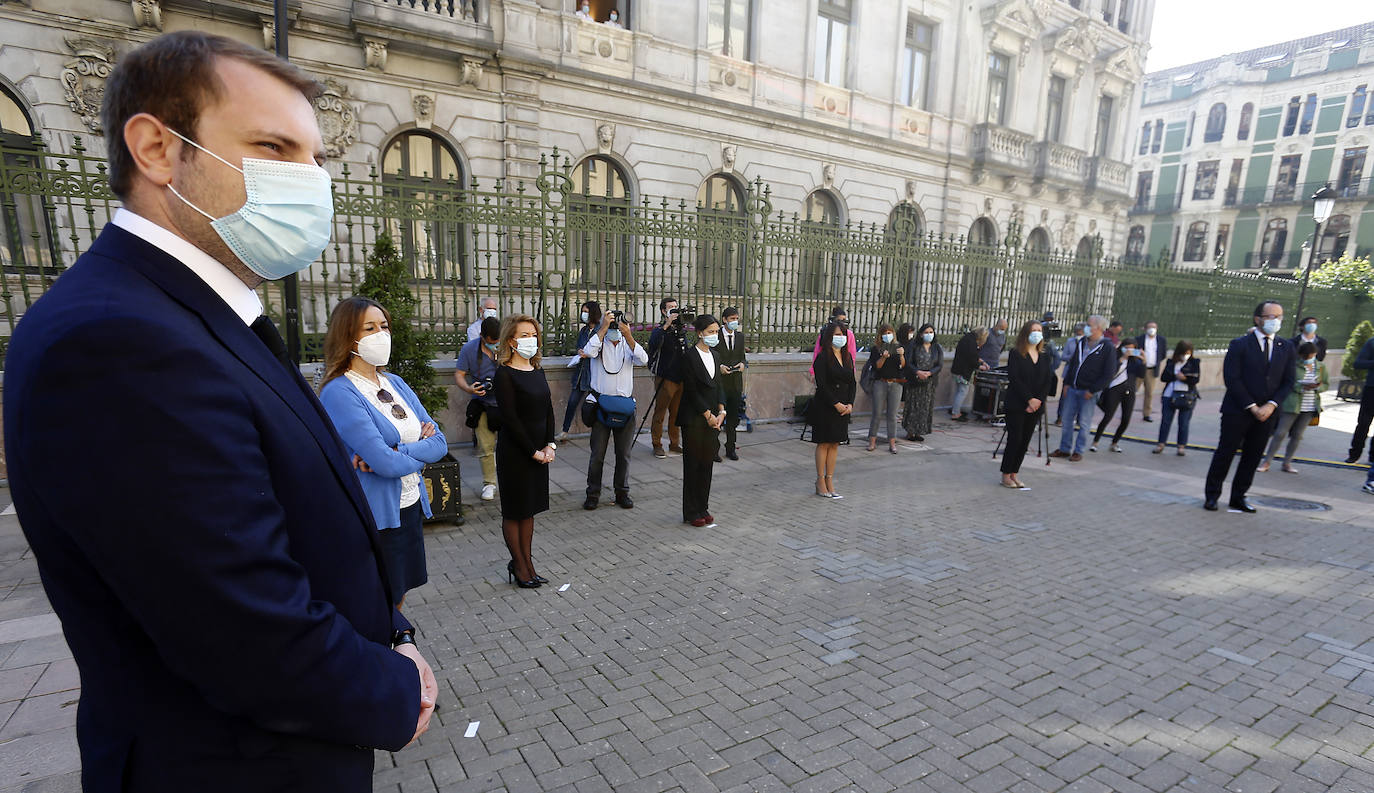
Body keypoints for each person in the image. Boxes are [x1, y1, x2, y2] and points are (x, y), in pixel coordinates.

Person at [3, 32, 434, 790]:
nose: (309, 180)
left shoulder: (194, 313)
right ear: (157, 149)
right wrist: (396, 688)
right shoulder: (117, 339)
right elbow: (240, 625)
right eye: (274, 146)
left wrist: (390, 633)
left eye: (317, 159)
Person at [319, 297, 448, 609]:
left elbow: (441, 443)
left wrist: (398, 451)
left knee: (400, 592)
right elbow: (385, 464)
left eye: (385, 326)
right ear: (348, 336)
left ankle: (393, 646)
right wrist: (409, 451)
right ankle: (386, 651)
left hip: (409, 503)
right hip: (377, 515)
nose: (382, 334)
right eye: (370, 328)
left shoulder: (396, 383)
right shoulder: (339, 391)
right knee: (381, 597)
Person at [1203, 301, 1297, 512]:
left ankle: (1239, 497)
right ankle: (1212, 495)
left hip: (1267, 414)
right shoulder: (1240, 344)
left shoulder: (1286, 347)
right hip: (1238, 410)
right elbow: (1232, 378)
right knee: (1225, 453)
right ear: (1258, 318)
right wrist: (1252, 406)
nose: (1275, 321)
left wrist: (1271, 405)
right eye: (1271, 316)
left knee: (1252, 456)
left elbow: (1288, 381)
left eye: (1279, 316)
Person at [492, 314, 557, 585]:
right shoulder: (504, 373)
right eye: (524, 335)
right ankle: (519, 567)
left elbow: (549, 410)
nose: (531, 340)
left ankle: (528, 564)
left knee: (529, 511)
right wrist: (533, 451)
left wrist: (550, 444)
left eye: (534, 335)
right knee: (514, 511)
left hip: (539, 452)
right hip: (516, 453)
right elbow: (510, 419)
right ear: (510, 340)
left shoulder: (538, 370)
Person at [581, 307, 647, 510]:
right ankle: (593, 494)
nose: (615, 327)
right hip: (602, 406)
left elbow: (643, 359)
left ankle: (622, 493)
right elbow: (588, 351)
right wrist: (602, 329)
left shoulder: (628, 345)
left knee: (624, 454)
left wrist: (629, 335)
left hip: (625, 407)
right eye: (612, 324)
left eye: (616, 324)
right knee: (597, 455)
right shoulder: (598, 344)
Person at [679, 314, 726, 527]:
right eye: (710, 332)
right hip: (694, 418)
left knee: (707, 464)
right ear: (699, 333)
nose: (714, 335)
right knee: (693, 465)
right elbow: (691, 390)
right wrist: (707, 415)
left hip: (713, 420)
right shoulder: (689, 356)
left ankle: (703, 507)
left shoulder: (715, 355)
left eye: (716, 331)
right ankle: (691, 511)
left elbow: (719, 386)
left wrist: (721, 412)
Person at [1050, 315, 1115, 461]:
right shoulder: (1082, 343)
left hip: (1088, 392)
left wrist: (1093, 390)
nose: (1086, 327)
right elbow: (1073, 364)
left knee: (1084, 422)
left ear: (1098, 328)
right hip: (1073, 388)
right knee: (1066, 420)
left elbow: (1108, 374)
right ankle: (1065, 448)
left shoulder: (1107, 348)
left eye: (1089, 325)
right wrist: (1067, 383)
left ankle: (1078, 451)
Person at [1259, 341, 1328, 474]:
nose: (1310, 358)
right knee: (1280, 433)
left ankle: (1287, 462)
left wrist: (1317, 387)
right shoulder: (1294, 366)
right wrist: (1300, 387)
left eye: (1313, 355)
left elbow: (1325, 383)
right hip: (1292, 404)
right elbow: (1287, 382)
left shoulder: (1320, 367)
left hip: (1309, 405)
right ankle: (1267, 461)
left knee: (1297, 435)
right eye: (1308, 356)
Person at [1000, 320, 1054, 489]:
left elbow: (1047, 381)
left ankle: (1015, 473)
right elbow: (1015, 378)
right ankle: (1006, 474)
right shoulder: (1016, 353)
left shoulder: (1045, 356)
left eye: (1039, 330)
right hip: (1017, 404)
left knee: (1025, 441)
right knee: (1014, 439)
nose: (1037, 333)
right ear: (1026, 333)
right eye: (1034, 330)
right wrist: (1029, 399)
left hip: (1036, 406)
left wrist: (1038, 400)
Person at [808, 321, 856, 498]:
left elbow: (852, 383)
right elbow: (822, 385)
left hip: (843, 407)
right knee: (824, 443)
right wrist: (836, 403)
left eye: (843, 334)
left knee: (835, 443)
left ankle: (830, 479)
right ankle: (820, 480)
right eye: (837, 335)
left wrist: (850, 404)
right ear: (829, 337)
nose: (840, 338)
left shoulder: (848, 357)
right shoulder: (822, 357)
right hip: (826, 406)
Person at [456, 316, 501, 501]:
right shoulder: (469, 349)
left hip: (506, 404)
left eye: (497, 342)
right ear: (482, 336)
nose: (494, 345)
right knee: (485, 446)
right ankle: (489, 483)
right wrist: (469, 388)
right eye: (491, 342)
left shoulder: (507, 346)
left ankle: (510, 480)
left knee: (511, 446)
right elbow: (459, 374)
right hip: (482, 403)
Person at [1091, 337, 1145, 453]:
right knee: (1108, 416)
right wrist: (1122, 359)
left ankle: (1115, 442)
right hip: (1114, 389)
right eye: (1127, 348)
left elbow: (1141, 374)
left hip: (1129, 390)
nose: (1129, 351)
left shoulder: (1135, 361)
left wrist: (1144, 361)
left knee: (1126, 419)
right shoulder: (1115, 357)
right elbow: (1112, 372)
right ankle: (1095, 441)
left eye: (1132, 349)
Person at [648, 296, 686, 459]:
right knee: (660, 412)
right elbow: (653, 344)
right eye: (671, 307)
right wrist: (667, 324)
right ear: (664, 311)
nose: (674, 310)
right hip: (665, 378)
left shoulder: (680, 329)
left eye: (676, 307)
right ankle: (657, 444)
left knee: (677, 413)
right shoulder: (660, 330)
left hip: (680, 377)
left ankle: (674, 443)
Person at [560, 300, 600, 441]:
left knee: (595, 405)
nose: (584, 314)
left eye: (586, 312)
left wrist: (588, 353)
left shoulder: (601, 330)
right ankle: (565, 431)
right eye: (583, 311)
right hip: (580, 373)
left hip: (593, 374)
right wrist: (580, 351)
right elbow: (579, 346)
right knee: (572, 402)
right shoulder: (584, 330)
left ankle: (598, 431)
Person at [1154, 341, 1201, 456]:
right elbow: (1163, 377)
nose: (1186, 355)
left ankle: (1181, 446)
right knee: (1166, 421)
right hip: (1169, 395)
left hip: (1187, 396)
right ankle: (1161, 444)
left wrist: (1184, 378)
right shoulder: (1171, 362)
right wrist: (1175, 376)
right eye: (1184, 353)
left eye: (1188, 353)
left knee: (1183, 422)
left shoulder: (1194, 362)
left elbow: (1196, 379)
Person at [866, 323, 905, 453]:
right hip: (880, 383)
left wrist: (901, 355)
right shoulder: (876, 349)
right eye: (885, 333)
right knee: (876, 413)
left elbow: (903, 365)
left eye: (890, 332)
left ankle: (892, 443)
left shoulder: (898, 347)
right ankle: (872, 441)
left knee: (892, 415)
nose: (887, 335)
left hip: (896, 383)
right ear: (880, 335)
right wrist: (883, 357)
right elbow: (877, 366)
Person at [903, 323, 942, 442]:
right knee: (914, 406)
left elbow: (939, 364)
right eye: (926, 332)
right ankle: (910, 431)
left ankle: (920, 431)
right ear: (921, 334)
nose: (929, 335)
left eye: (931, 332)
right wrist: (917, 372)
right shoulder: (914, 346)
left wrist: (930, 373)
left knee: (925, 407)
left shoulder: (936, 348)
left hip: (929, 382)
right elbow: (908, 362)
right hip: (915, 381)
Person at [717, 306, 747, 460]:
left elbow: (742, 356)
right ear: (724, 320)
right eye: (732, 319)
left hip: (735, 383)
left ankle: (731, 448)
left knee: (733, 418)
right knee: (718, 416)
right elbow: (712, 356)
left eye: (736, 319)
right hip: (721, 383)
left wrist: (742, 364)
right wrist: (720, 367)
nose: (734, 322)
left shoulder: (740, 337)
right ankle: (713, 449)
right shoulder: (716, 335)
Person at [949, 326, 988, 422]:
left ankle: (955, 410)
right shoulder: (971, 342)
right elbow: (971, 358)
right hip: (963, 371)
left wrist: (981, 361)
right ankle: (955, 413)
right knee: (962, 392)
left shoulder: (967, 338)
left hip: (957, 369)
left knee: (959, 391)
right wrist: (980, 366)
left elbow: (972, 355)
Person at [1348, 334, 1374, 464]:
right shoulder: (1372, 342)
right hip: (1371, 389)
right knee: (1363, 423)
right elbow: (1358, 363)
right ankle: (1354, 453)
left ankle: (1372, 457)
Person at [1135, 320, 1167, 423]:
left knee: (1149, 393)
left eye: (1154, 327)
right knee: (1132, 391)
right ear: (1145, 329)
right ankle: (1126, 411)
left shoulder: (1161, 340)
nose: (1152, 329)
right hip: (1140, 368)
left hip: (1151, 370)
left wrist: (1155, 362)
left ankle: (1147, 414)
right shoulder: (1139, 339)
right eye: (1149, 327)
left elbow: (1163, 354)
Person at [1055, 321, 1086, 426]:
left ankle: (1079, 419)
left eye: (1080, 332)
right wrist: (1073, 357)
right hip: (1069, 372)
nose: (1078, 334)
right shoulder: (1070, 341)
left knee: (1080, 398)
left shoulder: (1087, 343)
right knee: (1064, 397)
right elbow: (1063, 356)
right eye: (1077, 332)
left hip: (1081, 375)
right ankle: (1060, 417)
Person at [810, 304, 857, 374]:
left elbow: (852, 354)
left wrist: (852, 371)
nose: (842, 323)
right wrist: (813, 371)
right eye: (839, 320)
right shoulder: (825, 332)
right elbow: (817, 352)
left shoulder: (849, 334)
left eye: (844, 320)